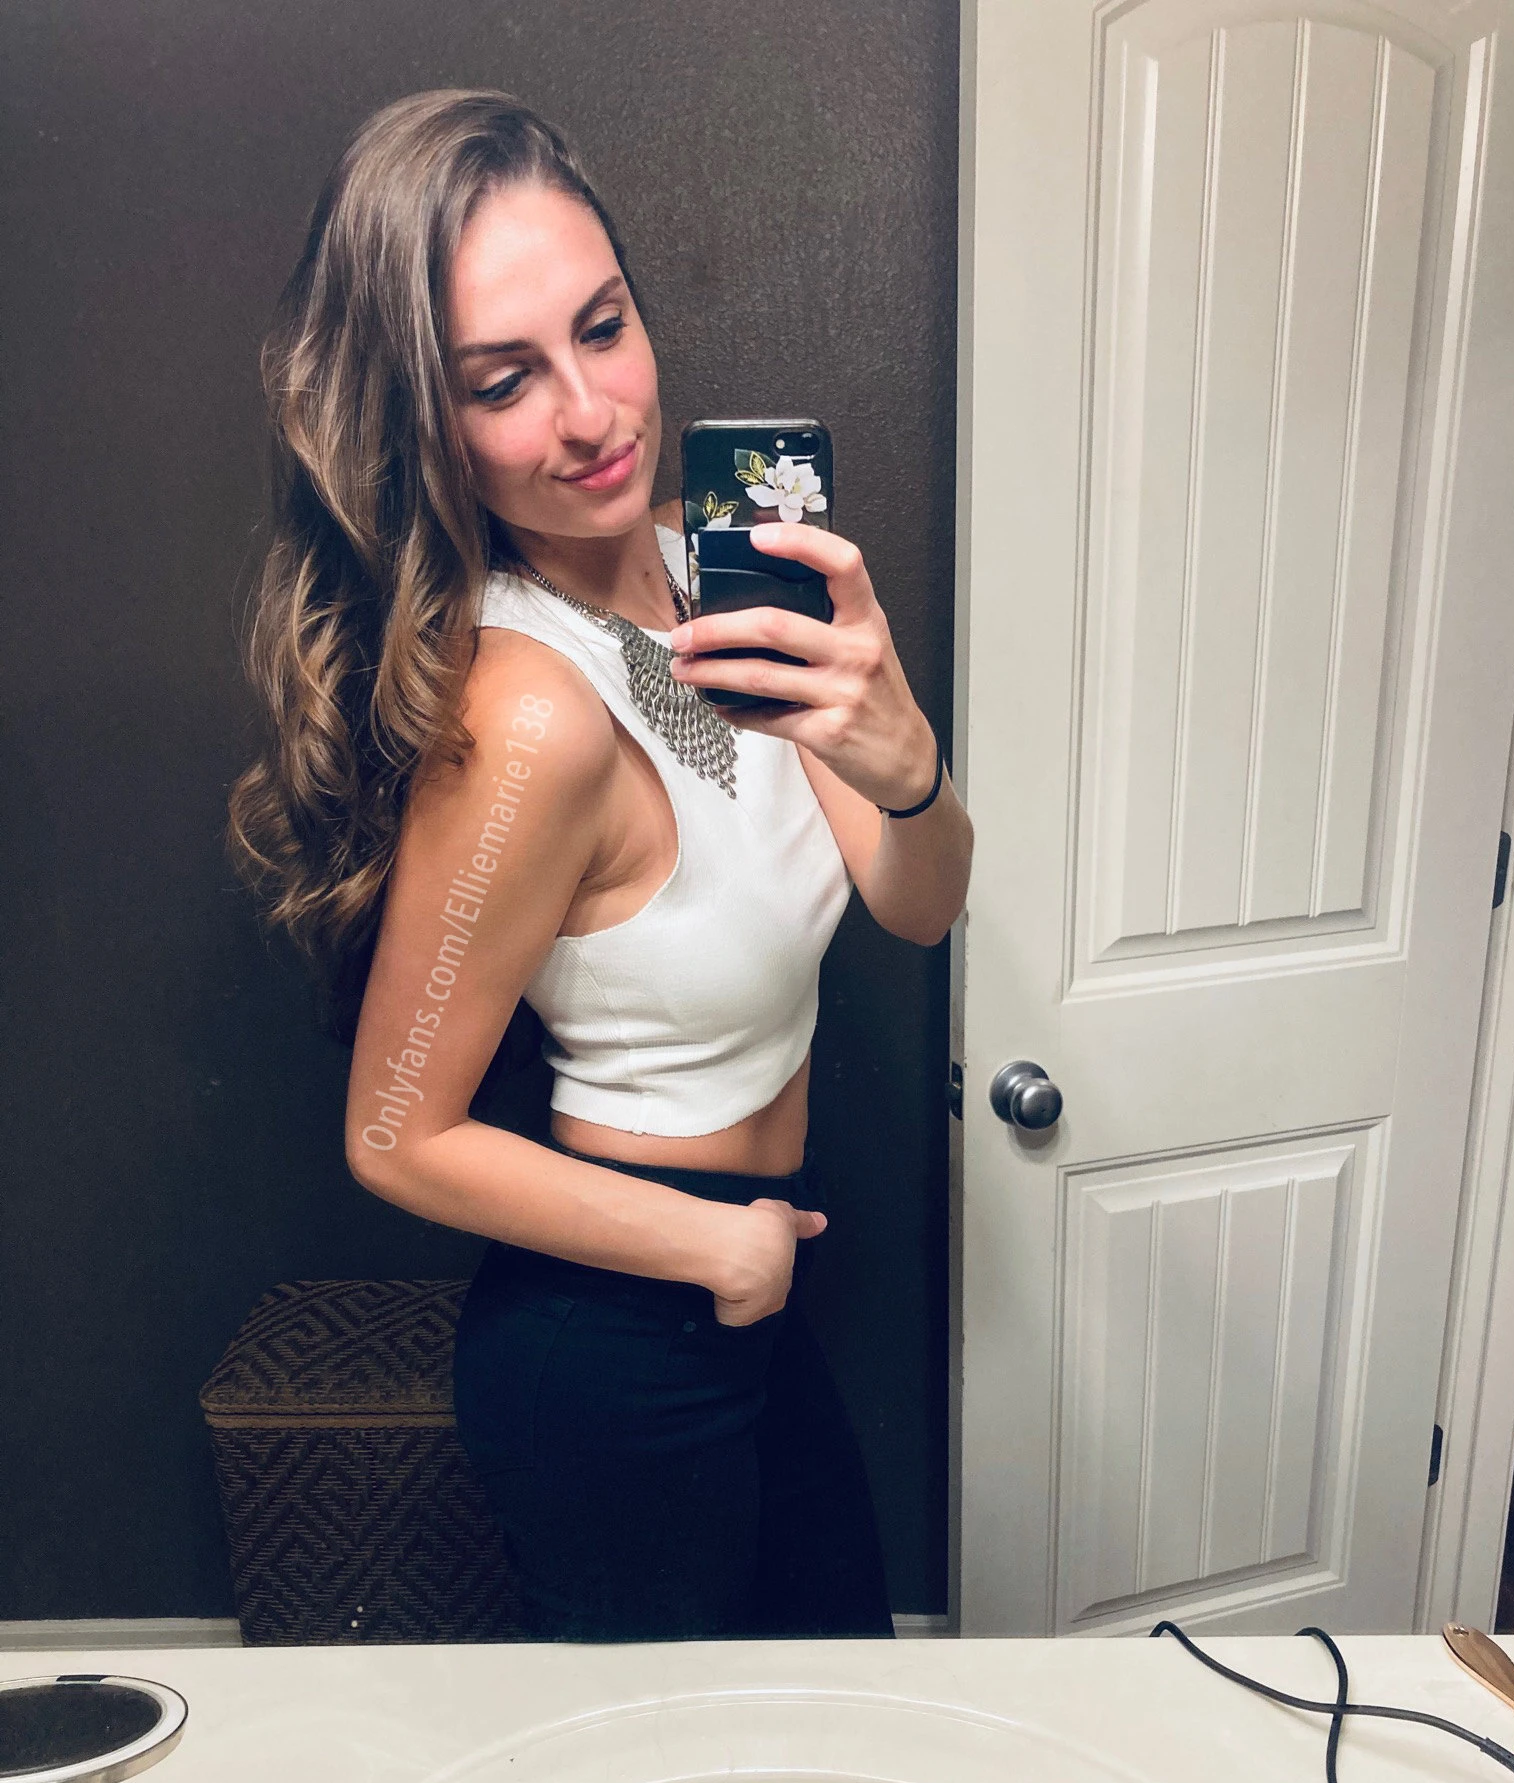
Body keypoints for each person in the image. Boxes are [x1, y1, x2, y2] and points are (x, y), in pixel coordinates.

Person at [227, 88, 974, 1642]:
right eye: (505, 381)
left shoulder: (716, 563)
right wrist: (717, 1242)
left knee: (830, 1705)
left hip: (746, 1287)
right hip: (614, 1344)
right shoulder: (528, 712)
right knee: (676, 1773)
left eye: (604, 327)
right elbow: (394, 1135)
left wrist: (907, 766)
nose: (592, 414)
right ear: (424, 422)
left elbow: (920, 906)